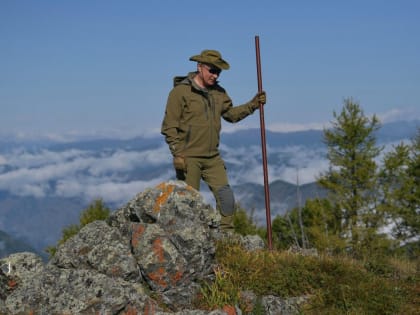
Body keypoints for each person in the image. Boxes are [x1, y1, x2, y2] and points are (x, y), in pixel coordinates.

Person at [161, 49, 266, 231]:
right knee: (188, 204)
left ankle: (225, 237)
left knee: (226, 198)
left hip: (212, 157)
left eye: (218, 72)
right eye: (212, 70)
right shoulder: (180, 92)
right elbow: (169, 126)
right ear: (200, 67)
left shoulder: (219, 93)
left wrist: (253, 105)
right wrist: (177, 153)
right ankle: (188, 239)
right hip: (188, 158)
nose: (215, 75)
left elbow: (231, 115)